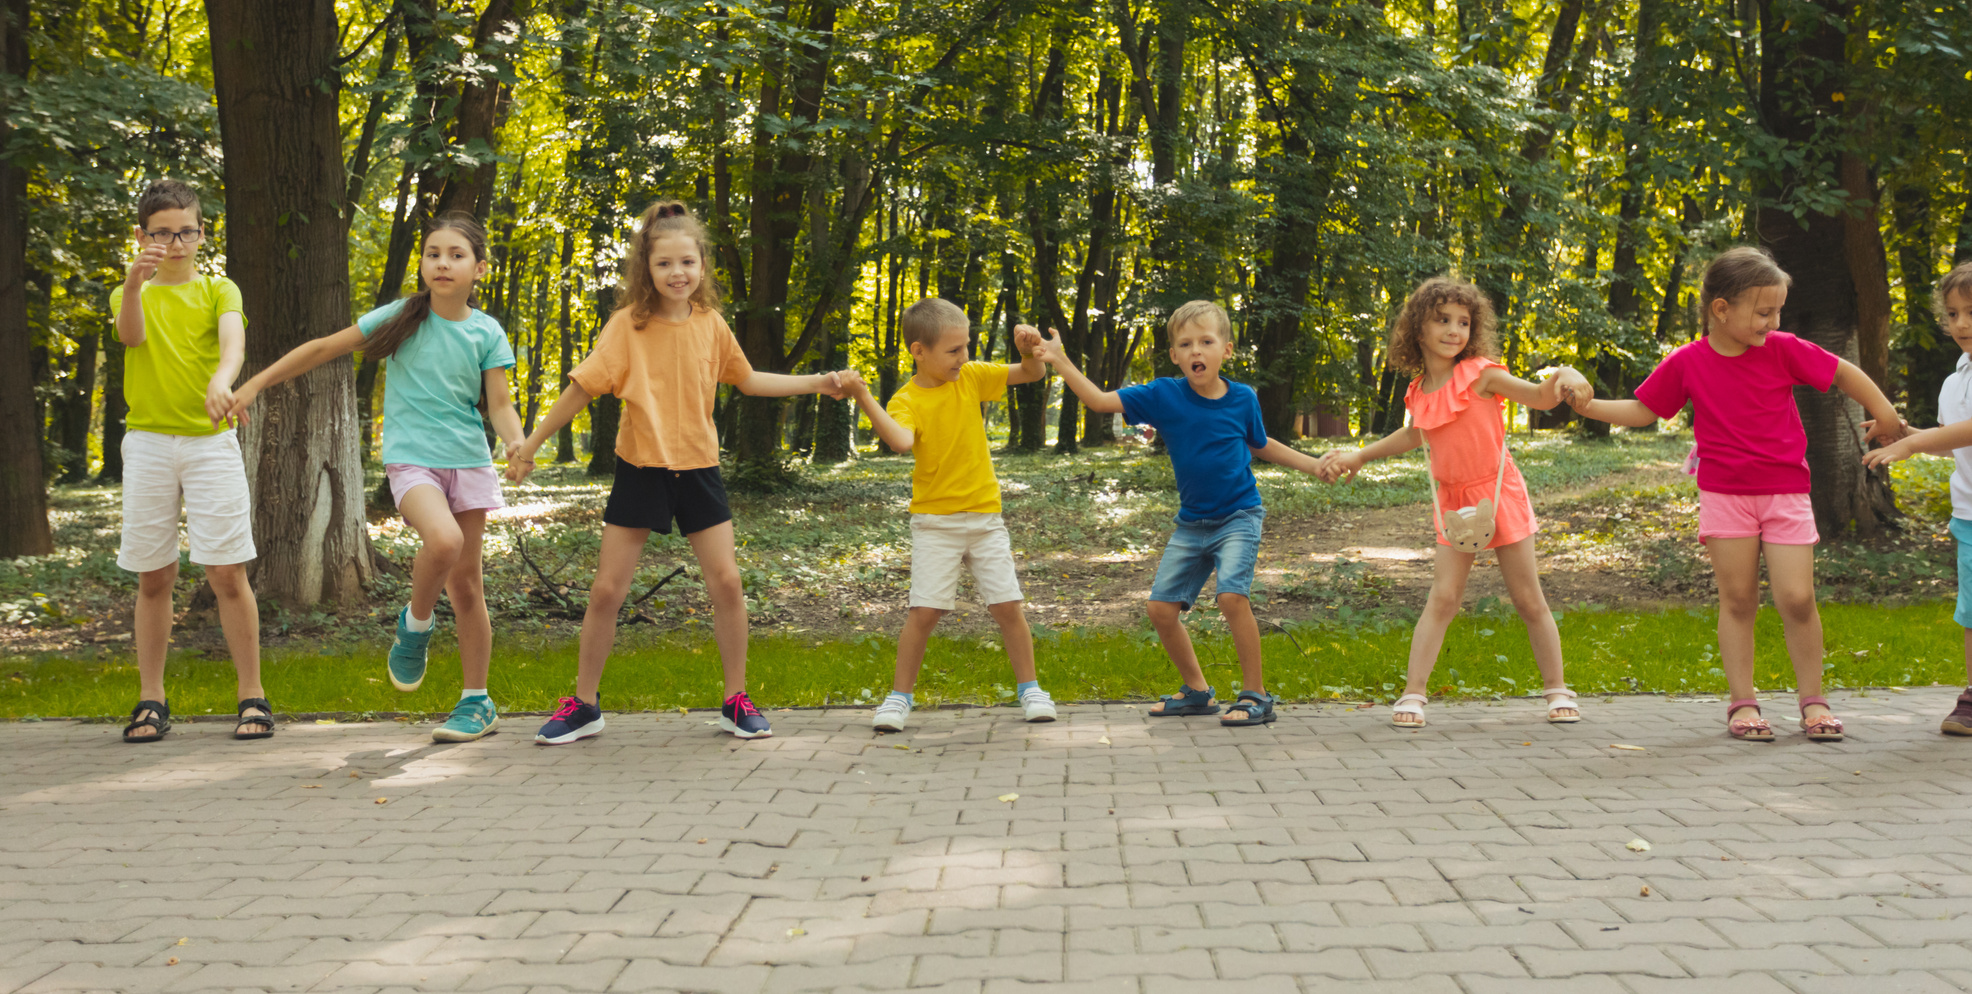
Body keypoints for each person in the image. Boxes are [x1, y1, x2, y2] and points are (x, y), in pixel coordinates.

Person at [507, 200, 852, 744]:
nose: (677, 273)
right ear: (647, 269)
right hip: (640, 469)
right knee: (605, 592)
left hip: (699, 470)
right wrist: (530, 445)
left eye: (687, 263)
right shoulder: (626, 326)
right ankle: (584, 705)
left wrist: (818, 381)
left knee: (728, 583)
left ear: (702, 267)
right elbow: (580, 388)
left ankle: (736, 701)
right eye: (665, 264)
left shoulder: (711, 326)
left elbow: (749, 380)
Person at [1570, 246, 1902, 742]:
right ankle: (1742, 704)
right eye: (1763, 312)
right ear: (1721, 310)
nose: (1773, 321)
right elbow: (1643, 410)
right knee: (1739, 598)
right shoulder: (1688, 362)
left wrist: (1887, 413)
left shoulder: (1783, 348)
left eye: (1778, 312)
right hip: (1725, 495)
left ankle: (1814, 702)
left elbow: (1842, 373)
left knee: (1797, 597)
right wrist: (1589, 405)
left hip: (1786, 491)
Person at [227, 212, 521, 743]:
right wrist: (254, 386)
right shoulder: (402, 316)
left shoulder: (486, 331)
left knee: (470, 587)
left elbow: (498, 404)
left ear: (479, 268)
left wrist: (518, 441)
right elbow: (323, 348)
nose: (442, 263)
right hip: (413, 463)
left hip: (470, 463)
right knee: (445, 540)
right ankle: (416, 624)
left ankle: (476, 702)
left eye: (456, 255)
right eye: (433, 253)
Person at [1031, 300, 1326, 727]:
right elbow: (1097, 401)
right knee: (1160, 609)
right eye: (1185, 344)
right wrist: (1058, 358)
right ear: (1174, 355)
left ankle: (1256, 695)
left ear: (1226, 350)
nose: (1195, 351)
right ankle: (1197, 691)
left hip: (1239, 516)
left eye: (1206, 342)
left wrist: (1314, 464)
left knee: (1231, 596)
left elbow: (1260, 444)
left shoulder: (1243, 398)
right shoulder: (1162, 394)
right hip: (1192, 523)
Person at [1317, 278, 1591, 728]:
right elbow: (1414, 433)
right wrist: (1360, 455)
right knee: (1443, 597)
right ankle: (1414, 693)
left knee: (1527, 598)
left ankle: (1557, 688)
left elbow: (1540, 395)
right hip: (1453, 504)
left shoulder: (1483, 374)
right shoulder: (1419, 391)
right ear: (1417, 330)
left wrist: (1566, 375)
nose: (1454, 330)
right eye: (1442, 320)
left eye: (1463, 322)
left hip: (1499, 491)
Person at [844, 301, 1056, 731]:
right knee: (924, 612)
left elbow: (1032, 374)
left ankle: (1031, 689)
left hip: (984, 519)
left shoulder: (973, 377)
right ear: (919, 351)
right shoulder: (905, 399)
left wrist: (1030, 349)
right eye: (953, 350)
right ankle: (899, 698)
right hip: (935, 525)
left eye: (966, 347)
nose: (963, 358)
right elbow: (901, 441)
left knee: (1008, 606)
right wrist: (864, 396)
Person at [109, 179, 269, 743]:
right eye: (163, 233)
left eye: (186, 232)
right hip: (149, 442)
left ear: (201, 233)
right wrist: (134, 282)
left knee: (227, 571)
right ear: (143, 235)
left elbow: (233, 347)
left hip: (209, 441)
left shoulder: (220, 289)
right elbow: (132, 338)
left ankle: (252, 697)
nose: (176, 243)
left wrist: (222, 383)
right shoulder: (133, 291)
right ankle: (151, 700)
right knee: (155, 576)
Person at [1861, 259, 1972, 736]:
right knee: (1971, 611)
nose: (1961, 323)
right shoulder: (1956, 379)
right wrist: (1906, 433)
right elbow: (1954, 437)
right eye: (1952, 314)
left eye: (1971, 312)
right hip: (1968, 515)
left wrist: (1911, 444)